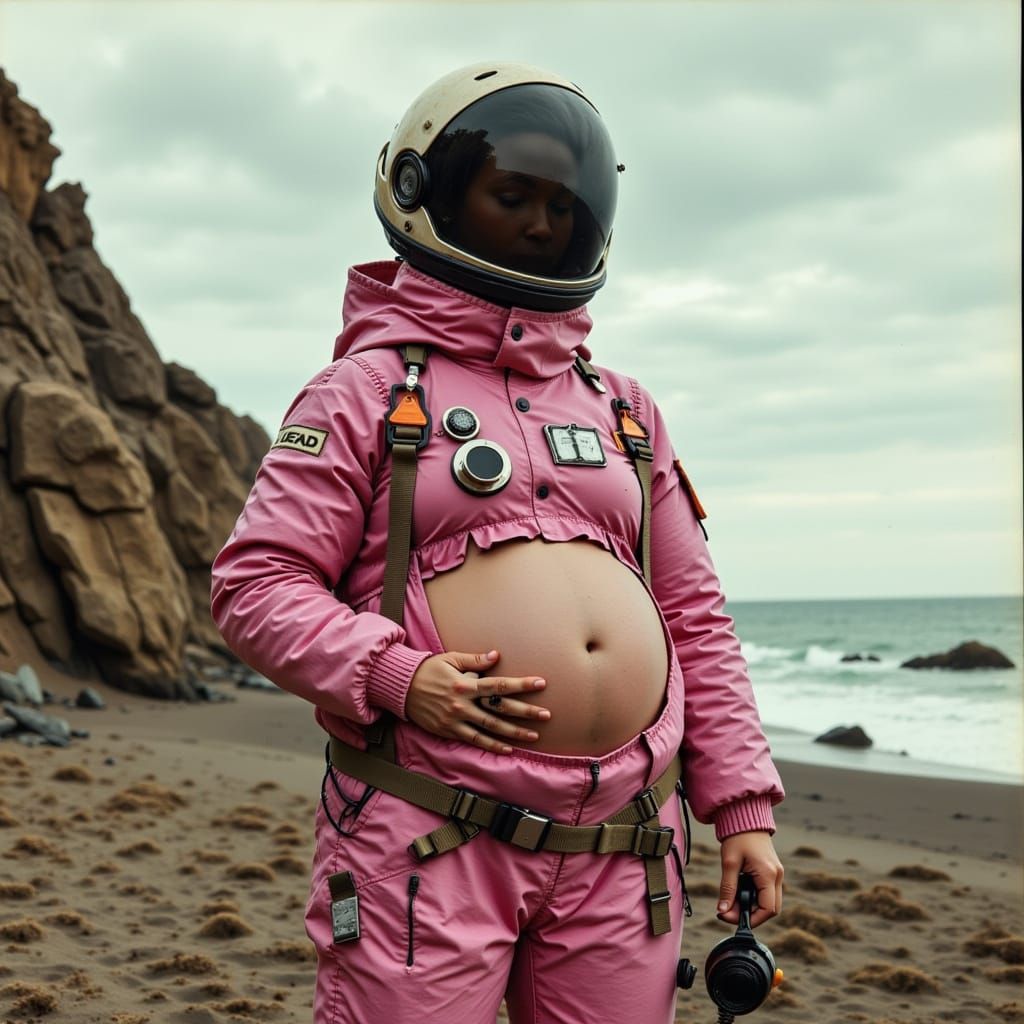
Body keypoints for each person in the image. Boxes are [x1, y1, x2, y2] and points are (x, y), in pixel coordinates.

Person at [211, 61, 785, 1024]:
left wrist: (742, 810)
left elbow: (694, 617)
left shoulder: (625, 410)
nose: (540, 227)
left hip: (625, 844)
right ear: (423, 188)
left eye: (562, 206)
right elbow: (257, 585)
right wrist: (399, 676)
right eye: (512, 197)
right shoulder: (362, 393)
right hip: (430, 831)